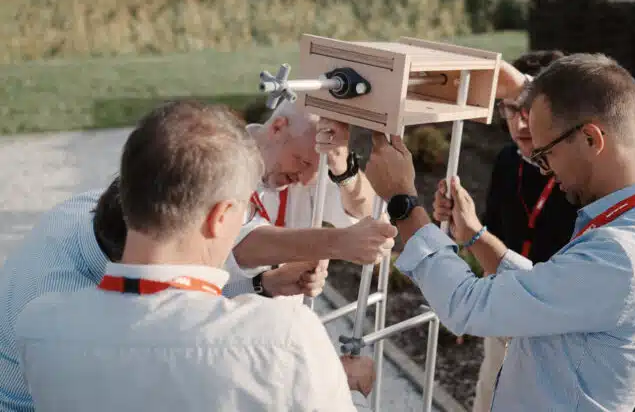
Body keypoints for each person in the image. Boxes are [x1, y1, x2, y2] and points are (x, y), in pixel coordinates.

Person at [365, 54, 635, 411]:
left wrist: (402, 201)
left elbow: (466, 304)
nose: (545, 169)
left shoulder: (622, 254)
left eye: (545, 153)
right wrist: (475, 236)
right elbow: (551, 290)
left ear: (590, 138)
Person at [15, 100, 372, 412]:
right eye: (242, 213)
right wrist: (325, 374)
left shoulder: (38, 326)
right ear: (221, 217)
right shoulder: (285, 337)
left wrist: (260, 285)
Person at [457, 50, 579, 412]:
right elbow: (492, 230)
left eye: (529, 110)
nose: (521, 123)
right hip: (505, 312)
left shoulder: (577, 177)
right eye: (511, 109)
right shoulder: (507, 161)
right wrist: (461, 226)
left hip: (555, 327)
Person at [232, 100, 395, 276]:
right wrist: (338, 243)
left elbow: (370, 214)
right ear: (277, 128)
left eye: (317, 171)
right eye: (303, 162)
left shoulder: (307, 166)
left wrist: (343, 170)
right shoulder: (223, 160)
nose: (305, 180)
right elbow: (242, 247)